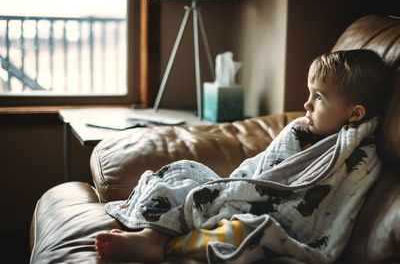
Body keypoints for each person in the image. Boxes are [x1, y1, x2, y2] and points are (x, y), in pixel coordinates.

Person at [95, 49, 392, 263]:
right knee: (181, 172)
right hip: (243, 190)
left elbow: (326, 210)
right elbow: (261, 168)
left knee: (247, 231)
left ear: (354, 113)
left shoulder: (359, 158)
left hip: (266, 218)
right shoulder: (300, 131)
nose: (306, 104)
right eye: (309, 93)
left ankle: (162, 242)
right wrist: (236, 189)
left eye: (319, 97)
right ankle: (154, 237)